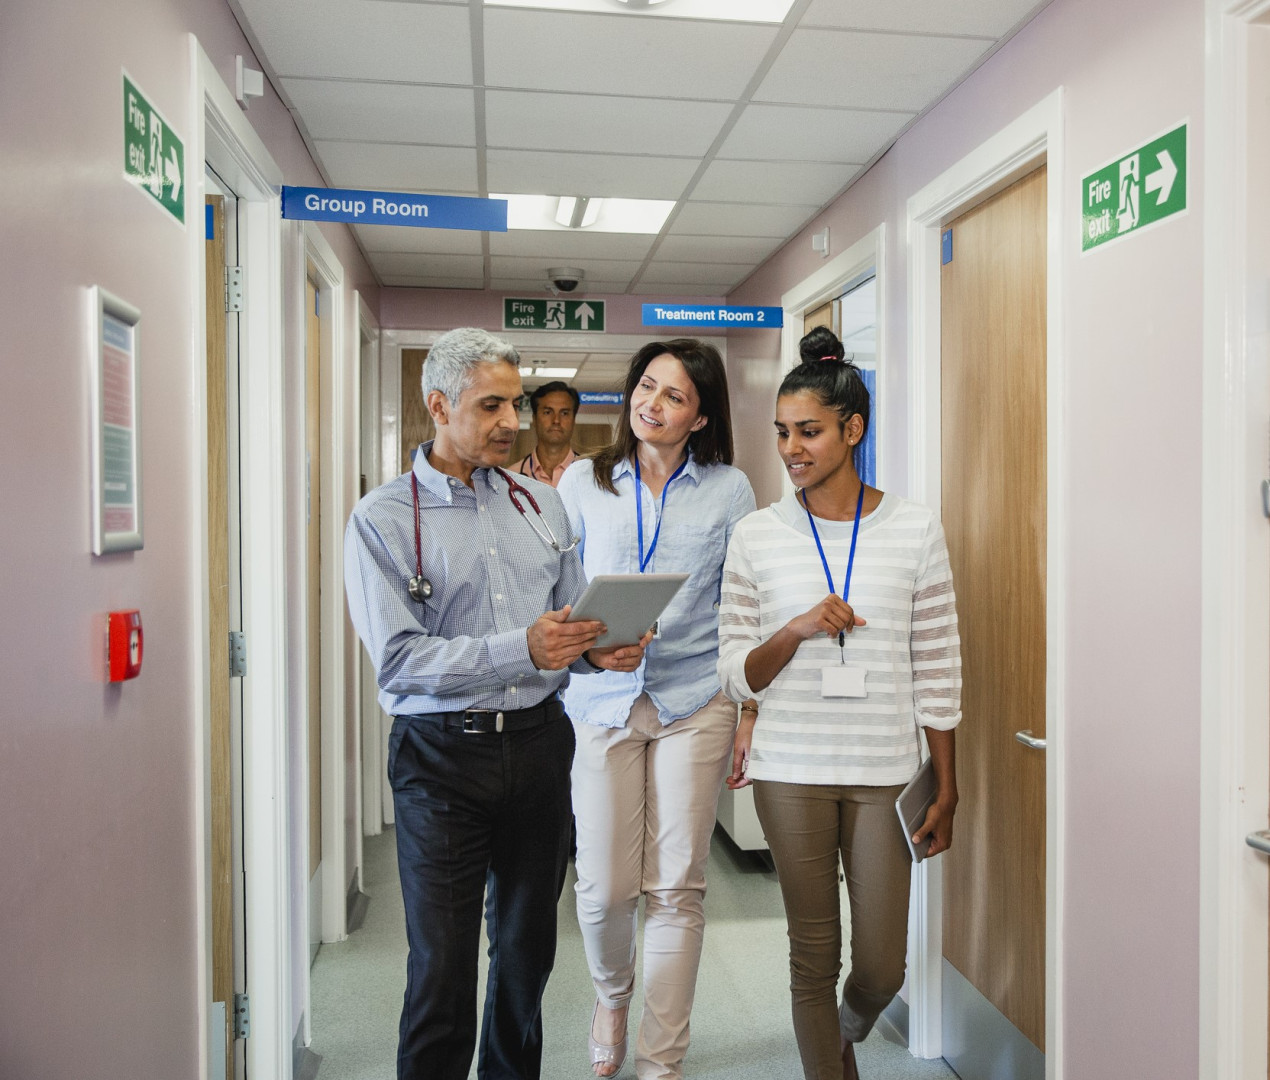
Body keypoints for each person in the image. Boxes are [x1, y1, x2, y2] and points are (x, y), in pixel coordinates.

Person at [344, 327, 649, 1080]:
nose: (512, 420)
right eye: (491, 405)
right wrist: (525, 647)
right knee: (441, 968)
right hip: (440, 760)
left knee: (525, 958)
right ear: (439, 406)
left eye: (515, 401)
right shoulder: (382, 519)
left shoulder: (543, 506)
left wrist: (593, 649)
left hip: (541, 747)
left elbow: (564, 627)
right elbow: (399, 659)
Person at [716, 327, 962, 1080]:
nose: (792, 449)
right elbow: (736, 672)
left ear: (852, 430)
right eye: (784, 432)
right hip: (791, 769)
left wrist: (946, 784)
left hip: (885, 768)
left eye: (810, 432)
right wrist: (792, 630)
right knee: (811, 956)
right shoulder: (756, 535)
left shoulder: (915, 528)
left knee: (882, 965)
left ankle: (845, 1032)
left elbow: (939, 664)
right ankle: (830, 1065)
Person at [556, 339, 756, 1080]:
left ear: (701, 416)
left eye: (675, 396)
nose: (654, 404)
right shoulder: (583, 480)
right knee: (605, 889)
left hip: (694, 697)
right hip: (602, 700)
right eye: (647, 386)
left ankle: (660, 1059)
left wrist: (748, 712)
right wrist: (584, 649)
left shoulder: (730, 489)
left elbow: (740, 606)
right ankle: (612, 995)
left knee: (677, 886)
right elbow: (555, 589)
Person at [514, 379, 579, 486]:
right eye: (548, 412)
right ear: (534, 419)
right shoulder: (512, 477)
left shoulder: (591, 476)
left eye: (564, 413)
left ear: (574, 419)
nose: (556, 420)